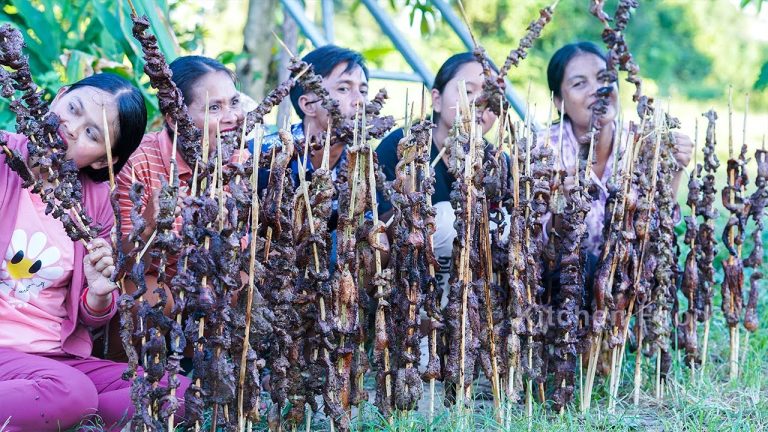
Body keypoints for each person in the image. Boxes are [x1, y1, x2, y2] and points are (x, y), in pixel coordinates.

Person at [0, 73, 188, 431]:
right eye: (72, 109)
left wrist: (99, 295)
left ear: (103, 160)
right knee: (72, 394)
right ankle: (59, 406)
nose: (71, 128)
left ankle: (49, 412)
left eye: (92, 134)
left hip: (53, 359)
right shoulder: (3, 157)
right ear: (58, 96)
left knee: (173, 391)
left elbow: (88, 317)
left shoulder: (94, 204)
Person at [104, 56, 246, 360]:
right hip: (159, 281)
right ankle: (126, 376)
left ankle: (214, 375)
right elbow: (121, 261)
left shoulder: (240, 161)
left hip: (213, 279)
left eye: (234, 103)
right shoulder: (138, 163)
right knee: (147, 301)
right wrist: (151, 221)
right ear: (173, 118)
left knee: (244, 286)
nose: (232, 117)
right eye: (214, 108)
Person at [544, 41, 693, 256]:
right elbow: (539, 245)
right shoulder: (542, 150)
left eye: (604, 78)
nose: (597, 90)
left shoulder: (644, 143)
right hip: (561, 280)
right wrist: (563, 207)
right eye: (579, 84)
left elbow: (657, 231)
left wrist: (675, 167)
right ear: (559, 102)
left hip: (626, 276)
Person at [376, 52, 499, 297]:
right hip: (409, 283)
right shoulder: (403, 146)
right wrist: (408, 204)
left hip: (472, 289)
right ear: (437, 99)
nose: (476, 103)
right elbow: (378, 226)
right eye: (467, 90)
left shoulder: (496, 162)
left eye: (488, 96)